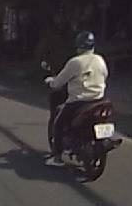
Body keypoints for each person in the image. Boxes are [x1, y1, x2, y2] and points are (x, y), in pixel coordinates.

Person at [44, 31, 108, 167]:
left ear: (78, 46)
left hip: (79, 103)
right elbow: (105, 74)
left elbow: (58, 83)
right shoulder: (100, 59)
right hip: (99, 100)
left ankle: (57, 158)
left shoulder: (75, 62)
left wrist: (51, 82)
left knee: (58, 123)